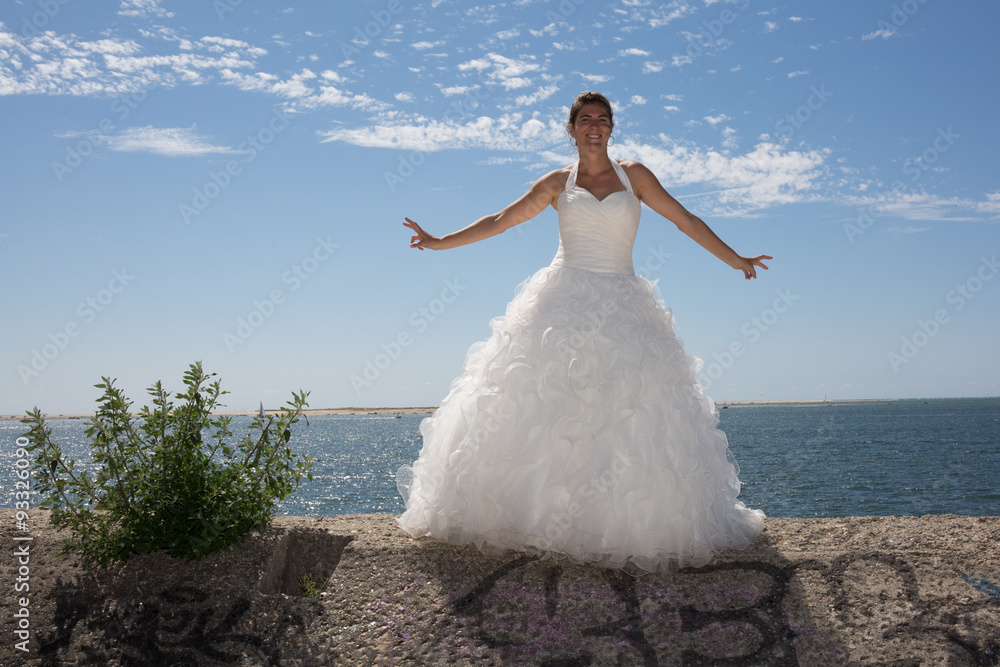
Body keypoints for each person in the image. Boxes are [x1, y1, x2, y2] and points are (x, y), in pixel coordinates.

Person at [395, 92, 769, 574]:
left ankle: (615, 525)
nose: (595, 127)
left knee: (629, 414)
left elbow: (685, 220)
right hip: (561, 302)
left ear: (612, 128)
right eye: (585, 120)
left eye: (603, 120)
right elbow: (501, 220)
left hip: (624, 302)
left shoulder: (634, 176)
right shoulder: (557, 183)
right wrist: (439, 241)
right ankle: (538, 519)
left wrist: (735, 258)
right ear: (570, 129)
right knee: (545, 411)